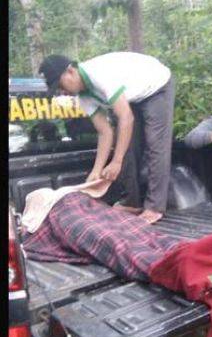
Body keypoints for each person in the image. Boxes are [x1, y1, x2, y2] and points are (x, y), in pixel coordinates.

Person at [38, 52, 175, 224]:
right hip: (132, 95)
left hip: (156, 86)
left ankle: (155, 207)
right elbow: (105, 132)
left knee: (156, 144)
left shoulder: (100, 75)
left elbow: (126, 118)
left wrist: (116, 162)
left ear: (71, 71)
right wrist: (97, 170)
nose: (61, 91)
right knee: (126, 145)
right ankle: (132, 202)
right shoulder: (84, 97)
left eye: (60, 84)